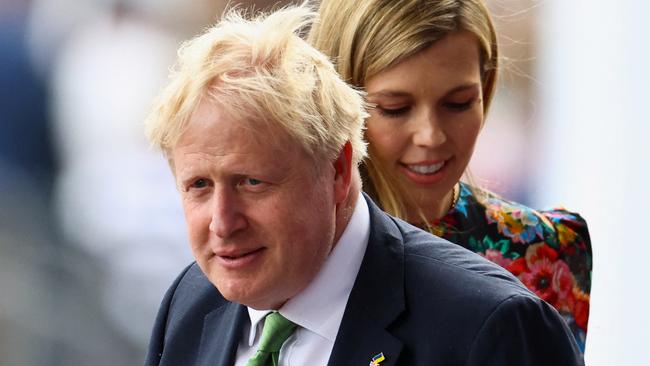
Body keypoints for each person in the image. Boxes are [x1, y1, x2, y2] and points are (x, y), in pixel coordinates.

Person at [144, 5, 583, 366]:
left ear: (338, 169)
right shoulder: (190, 304)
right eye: (199, 185)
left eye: (253, 182)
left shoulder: (494, 324)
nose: (223, 222)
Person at [308, 0, 592, 351]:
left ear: (485, 91)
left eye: (458, 103)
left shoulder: (542, 251)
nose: (431, 136)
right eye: (396, 109)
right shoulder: (275, 245)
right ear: (334, 104)